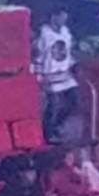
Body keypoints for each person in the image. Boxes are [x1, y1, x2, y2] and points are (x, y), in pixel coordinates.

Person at [32, 8, 81, 142]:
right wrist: (39, 74)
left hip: (65, 74)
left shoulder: (66, 32)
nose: (63, 21)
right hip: (49, 75)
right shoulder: (43, 35)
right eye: (61, 18)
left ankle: (57, 125)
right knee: (53, 105)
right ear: (54, 17)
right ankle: (47, 133)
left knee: (74, 101)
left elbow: (68, 51)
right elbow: (37, 55)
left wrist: (73, 65)